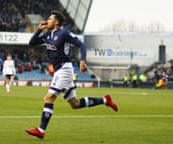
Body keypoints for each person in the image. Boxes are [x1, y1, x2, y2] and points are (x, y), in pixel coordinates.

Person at [25, 10, 118, 139]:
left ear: (56, 22)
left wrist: (82, 60)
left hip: (64, 69)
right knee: (75, 104)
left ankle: (41, 130)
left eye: (50, 19)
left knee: (49, 98)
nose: (47, 20)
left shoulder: (64, 33)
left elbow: (81, 45)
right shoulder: (47, 35)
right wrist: (39, 30)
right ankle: (105, 100)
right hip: (59, 70)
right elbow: (32, 43)